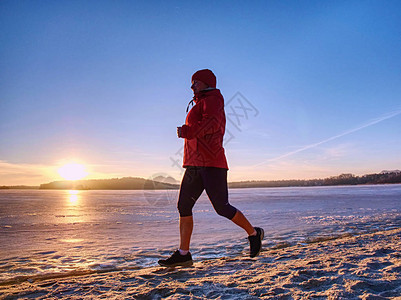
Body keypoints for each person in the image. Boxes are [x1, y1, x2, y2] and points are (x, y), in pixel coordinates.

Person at [158, 69, 264, 267]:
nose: (192, 86)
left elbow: (212, 124)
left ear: (207, 83)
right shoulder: (200, 101)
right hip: (194, 164)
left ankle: (254, 233)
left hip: (212, 163)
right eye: (191, 83)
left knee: (221, 207)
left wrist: (187, 131)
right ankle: (184, 253)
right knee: (183, 205)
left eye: (195, 82)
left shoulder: (213, 99)